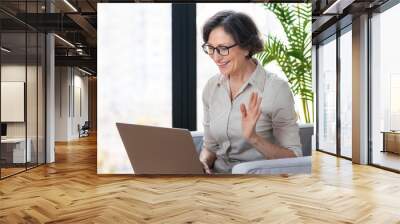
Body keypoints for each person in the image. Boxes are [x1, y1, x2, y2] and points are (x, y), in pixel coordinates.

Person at [199, 10, 302, 174]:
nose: (216, 57)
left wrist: (253, 138)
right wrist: (202, 163)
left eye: (223, 48)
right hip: (217, 181)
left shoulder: (275, 89)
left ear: (246, 47)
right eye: (210, 48)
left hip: (258, 184)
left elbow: (294, 158)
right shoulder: (211, 87)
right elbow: (210, 148)